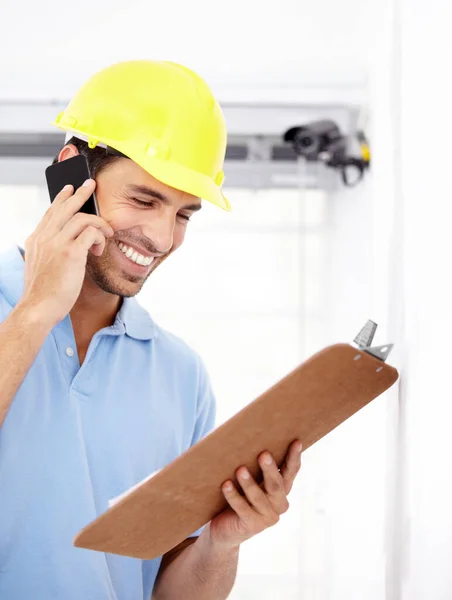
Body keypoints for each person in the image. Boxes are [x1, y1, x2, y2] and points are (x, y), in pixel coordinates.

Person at [0, 60, 302, 600]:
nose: (162, 238)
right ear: (71, 174)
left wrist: (220, 546)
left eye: (184, 214)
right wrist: (36, 309)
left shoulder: (179, 376)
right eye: (143, 200)